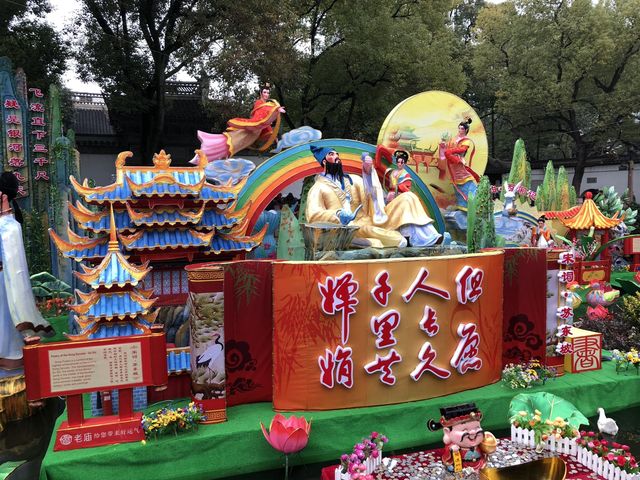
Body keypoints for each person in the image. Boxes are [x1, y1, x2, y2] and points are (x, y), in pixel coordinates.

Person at [305, 145, 442, 248]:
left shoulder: (352, 179)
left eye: (337, 154)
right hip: (353, 228)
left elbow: (371, 197)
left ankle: (426, 238)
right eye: (332, 154)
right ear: (324, 161)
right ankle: (402, 239)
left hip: (373, 218)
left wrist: (368, 172)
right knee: (397, 240)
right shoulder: (318, 188)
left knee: (408, 197)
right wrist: (338, 215)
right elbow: (313, 215)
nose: (337, 157)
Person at [0, 173, 52, 370]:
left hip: (5, 283)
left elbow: (15, 267)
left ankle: (11, 357)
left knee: (6, 319)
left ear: (3, 196)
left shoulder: (10, 227)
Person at [193, 82, 286, 163]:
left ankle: (213, 152)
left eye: (268, 93)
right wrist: (276, 109)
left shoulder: (267, 104)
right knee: (235, 140)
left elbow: (265, 121)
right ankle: (211, 148)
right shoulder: (259, 103)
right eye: (265, 92)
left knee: (238, 143)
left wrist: (273, 136)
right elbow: (263, 114)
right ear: (261, 93)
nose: (267, 94)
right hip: (252, 128)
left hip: (256, 131)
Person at [428, 403, 497, 473]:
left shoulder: (479, 444)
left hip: (480, 464)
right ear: (447, 432)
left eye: (477, 427)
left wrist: (487, 447)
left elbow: (485, 452)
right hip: (463, 467)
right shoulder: (454, 447)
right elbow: (447, 456)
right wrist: (452, 450)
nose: (473, 432)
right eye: (464, 430)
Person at [438, 118, 480, 210]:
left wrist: (449, 151)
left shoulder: (466, 140)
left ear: (466, 130)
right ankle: (462, 205)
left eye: (462, 129)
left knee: (466, 179)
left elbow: (462, 149)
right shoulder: (454, 139)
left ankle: (472, 203)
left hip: (459, 161)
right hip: (452, 164)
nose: (460, 130)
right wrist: (443, 146)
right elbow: (446, 150)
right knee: (456, 183)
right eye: (459, 128)